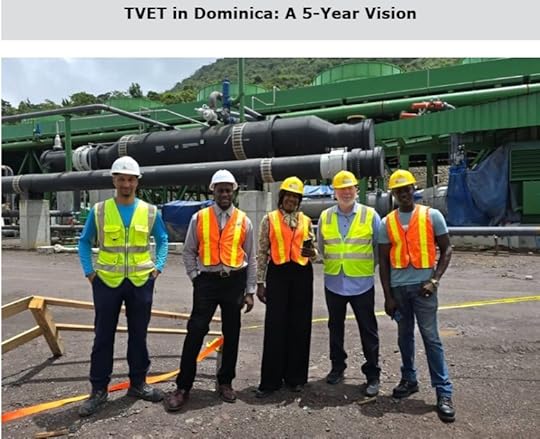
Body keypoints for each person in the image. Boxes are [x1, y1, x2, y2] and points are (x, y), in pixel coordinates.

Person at [77, 156, 169, 417]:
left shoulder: (150, 211)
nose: (126, 184)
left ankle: (138, 384)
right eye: (121, 179)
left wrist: (158, 267)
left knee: (138, 335)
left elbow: (162, 239)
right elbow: (84, 242)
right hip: (106, 281)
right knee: (103, 336)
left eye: (130, 179)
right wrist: (89, 272)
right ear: (114, 180)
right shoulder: (100, 210)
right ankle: (98, 391)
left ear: (137, 182)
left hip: (141, 281)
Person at [164, 169, 256, 411]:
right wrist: (196, 277)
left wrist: (250, 290)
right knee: (195, 331)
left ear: (234, 191)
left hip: (234, 281)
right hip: (207, 281)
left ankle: (225, 382)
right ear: (212, 190)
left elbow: (252, 258)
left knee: (232, 333)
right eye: (220, 189)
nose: (224, 193)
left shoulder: (244, 220)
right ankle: (183, 387)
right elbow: (188, 251)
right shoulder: (200, 218)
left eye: (228, 189)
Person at [378, 169, 455, 422]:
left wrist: (434, 280)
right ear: (393, 194)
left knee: (431, 339)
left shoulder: (431, 216)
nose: (404, 193)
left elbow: (446, 249)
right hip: (399, 290)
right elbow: (384, 262)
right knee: (404, 338)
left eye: (407, 188)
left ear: (414, 189)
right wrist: (388, 297)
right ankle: (408, 379)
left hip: (424, 288)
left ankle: (443, 392)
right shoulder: (386, 222)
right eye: (399, 190)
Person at [317, 170, 381, 397]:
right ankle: (337, 367)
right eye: (341, 189)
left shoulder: (370, 215)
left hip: (361, 282)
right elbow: (321, 247)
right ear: (334, 192)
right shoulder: (325, 217)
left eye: (350, 188)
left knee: (368, 329)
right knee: (335, 327)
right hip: (334, 281)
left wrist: (366, 270)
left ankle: (373, 374)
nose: (346, 192)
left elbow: (378, 247)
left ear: (356, 189)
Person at [255, 177, 317, 398]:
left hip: (301, 274)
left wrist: (314, 253)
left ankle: (296, 378)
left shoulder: (306, 220)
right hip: (278, 274)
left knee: (300, 326)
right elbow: (262, 252)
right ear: (281, 198)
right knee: (275, 326)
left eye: (295, 196)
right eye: (288, 196)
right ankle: (270, 381)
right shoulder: (269, 220)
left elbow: (314, 250)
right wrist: (260, 282)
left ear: (299, 200)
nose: (291, 199)